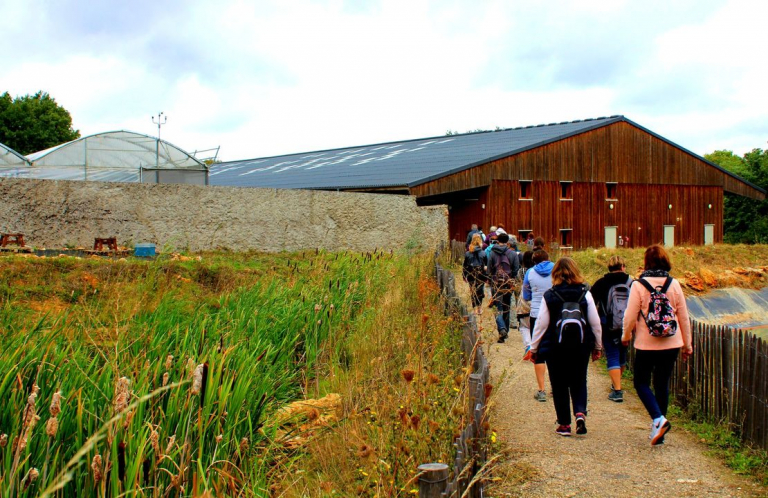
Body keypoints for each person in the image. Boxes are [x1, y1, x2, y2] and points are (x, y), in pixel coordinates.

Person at [623, 244, 692, 446]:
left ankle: (658, 419)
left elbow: (629, 316)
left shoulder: (638, 285)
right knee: (662, 383)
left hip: (646, 343)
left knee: (641, 382)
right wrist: (687, 344)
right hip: (671, 343)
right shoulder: (674, 284)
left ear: (646, 262)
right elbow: (683, 317)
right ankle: (659, 430)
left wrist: (626, 336)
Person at [530, 257, 602, 436]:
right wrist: (598, 346)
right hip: (581, 344)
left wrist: (534, 348)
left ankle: (564, 424)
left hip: (556, 346)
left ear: (555, 274)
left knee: (559, 383)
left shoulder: (550, 295)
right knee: (579, 379)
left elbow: (541, 324)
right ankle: (579, 413)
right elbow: (595, 322)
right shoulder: (585, 292)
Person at [591, 256, 633, 402]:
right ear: (622, 266)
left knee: (612, 354)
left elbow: (591, 303)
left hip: (607, 324)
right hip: (627, 325)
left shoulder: (601, 283)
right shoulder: (631, 283)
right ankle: (617, 384)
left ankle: (617, 390)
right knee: (622, 355)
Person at [523, 249, 554, 401]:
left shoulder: (530, 272)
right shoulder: (557, 269)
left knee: (539, 352)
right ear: (548, 258)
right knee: (556, 350)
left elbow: (526, 294)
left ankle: (541, 390)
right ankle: (556, 386)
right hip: (555, 313)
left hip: (536, 313)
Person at [488, 232, 520, 343]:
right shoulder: (513, 254)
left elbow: (489, 270)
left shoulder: (492, 253)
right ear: (508, 242)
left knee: (497, 307)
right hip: (508, 283)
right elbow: (516, 270)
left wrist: (491, 279)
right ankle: (505, 330)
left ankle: (501, 329)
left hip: (496, 283)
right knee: (507, 307)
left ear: (497, 240)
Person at [462, 234, 488, 315]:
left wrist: (464, 275)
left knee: (473, 291)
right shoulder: (483, 253)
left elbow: (465, 266)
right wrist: (487, 277)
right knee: (480, 291)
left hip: (471, 274)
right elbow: (486, 266)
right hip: (481, 275)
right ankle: (479, 308)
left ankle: (474, 309)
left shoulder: (468, 253)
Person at [517, 251, 535, 358]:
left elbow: (518, 283)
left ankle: (528, 346)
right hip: (536, 301)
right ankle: (535, 347)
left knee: (524, 326)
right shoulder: (537, 272)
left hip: (524, 300)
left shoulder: (521, 271)